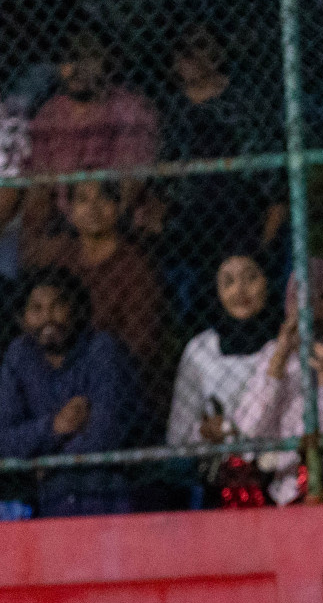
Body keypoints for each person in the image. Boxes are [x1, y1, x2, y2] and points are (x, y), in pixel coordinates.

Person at [157, 25, 286, 329]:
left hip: (242, 213)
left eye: (200, 45)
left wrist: (262, 244)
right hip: (188, 219)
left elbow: (274, 189)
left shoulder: (246, 103)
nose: (191, 56)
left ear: (219, 52)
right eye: (182, 49)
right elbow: (162, 187)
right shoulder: (171, 110)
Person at [233, 258, 323, 505]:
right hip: (281, 490)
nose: (307, 304)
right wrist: (277, 367)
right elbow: (246, 433)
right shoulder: (275, 354)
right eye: (299, 295)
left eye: (319, 295)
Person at [0, 268, 137, 516]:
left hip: (103, 491)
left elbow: (104, 435)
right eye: (36, 309)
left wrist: (46, 464)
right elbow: (5, 439)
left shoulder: (102, 349)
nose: (47, 318)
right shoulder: (18, 356)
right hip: (43, 496)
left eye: (57, 306)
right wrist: (53, 427)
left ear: (77, 310)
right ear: (22, 318)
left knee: (96, 480)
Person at [22, 29, 158, 264]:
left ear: (107, 61)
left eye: (88, 58)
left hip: (118, 221)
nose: (77, 68)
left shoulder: (129, 109)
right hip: (65, 226)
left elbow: (130, 184)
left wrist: (94, 230)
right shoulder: (49, 114)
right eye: (69, 59)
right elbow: (40, 190)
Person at [46, 180, 165, 373]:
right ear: (71, 212)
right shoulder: (64, 258)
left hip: (111, 369)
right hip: (61, 362)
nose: (93, 208)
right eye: (83, 199)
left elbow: (141, 343)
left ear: (117, 207)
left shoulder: (134, 265)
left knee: (104, 345)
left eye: (103, 197)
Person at [166, 251, 281, 448]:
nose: (240, 290)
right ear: (215, 290)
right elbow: (178, 434)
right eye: (228, 282)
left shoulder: (286, 345)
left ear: (267, 282)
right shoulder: (200, 350)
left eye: (250, 278)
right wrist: (204, 433)